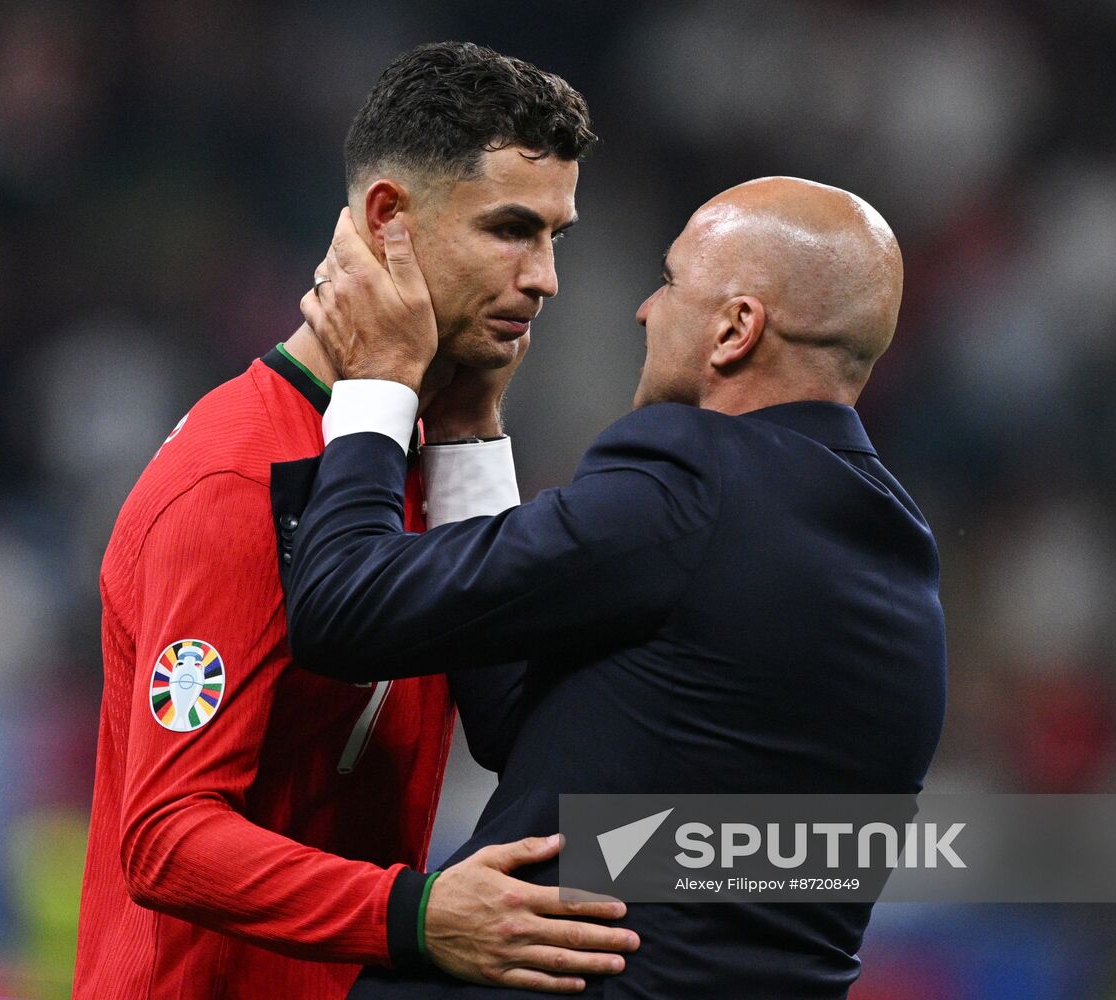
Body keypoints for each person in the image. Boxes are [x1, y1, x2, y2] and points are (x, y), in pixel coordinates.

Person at [276, 176, 948, 998]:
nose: (644, 310)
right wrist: (463, 435)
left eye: (669, 283)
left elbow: (343, 607)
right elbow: (526, 721)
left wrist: (379, 381)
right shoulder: (896, 556)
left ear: (735, 329)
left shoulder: (691, 480)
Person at [73, 41, 640, 1000]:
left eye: (555, 237)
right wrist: (413, 916)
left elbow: (513, 719)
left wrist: (469, 432)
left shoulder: (417, 449)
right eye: (510, 230)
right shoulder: (234, 478)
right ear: (390, 220)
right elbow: (165, 837)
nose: (543, 278)